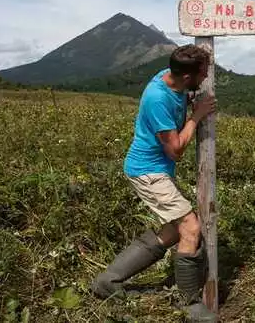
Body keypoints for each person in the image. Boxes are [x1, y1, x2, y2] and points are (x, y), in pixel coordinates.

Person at [91, 44, 217, 322]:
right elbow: (175, 149)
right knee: (189, 226)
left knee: (173, 233)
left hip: (156, 169)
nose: (205, 78)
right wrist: (197, 116)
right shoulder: (157, 99)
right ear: (187, 77)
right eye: (203, 74)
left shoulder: (172, 77)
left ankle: (108, 281)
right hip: (148, 171)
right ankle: (190, 303)